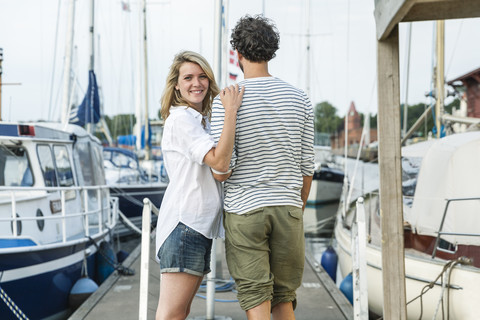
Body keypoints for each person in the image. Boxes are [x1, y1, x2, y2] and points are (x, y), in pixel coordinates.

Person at [210, 15, 315, 320]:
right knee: (284, 298)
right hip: (288, 207)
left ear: (238, 55)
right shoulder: (300, 99)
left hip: (245, 210)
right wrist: (297, 205)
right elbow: (307, 166)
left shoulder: (226, 101)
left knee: (257, 298)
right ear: (272, 52)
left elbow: (223, 167)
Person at [155, 50, 244, 320]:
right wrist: (231, 111)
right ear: (177, 85)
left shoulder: (201, 121)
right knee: (172, 314)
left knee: (180, 312)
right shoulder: (181, 120)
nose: (197, 83)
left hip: (197, 227)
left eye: (202, 76)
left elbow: (223, 170)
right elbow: (219, 161)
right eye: (189, 77)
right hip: (185, 226)